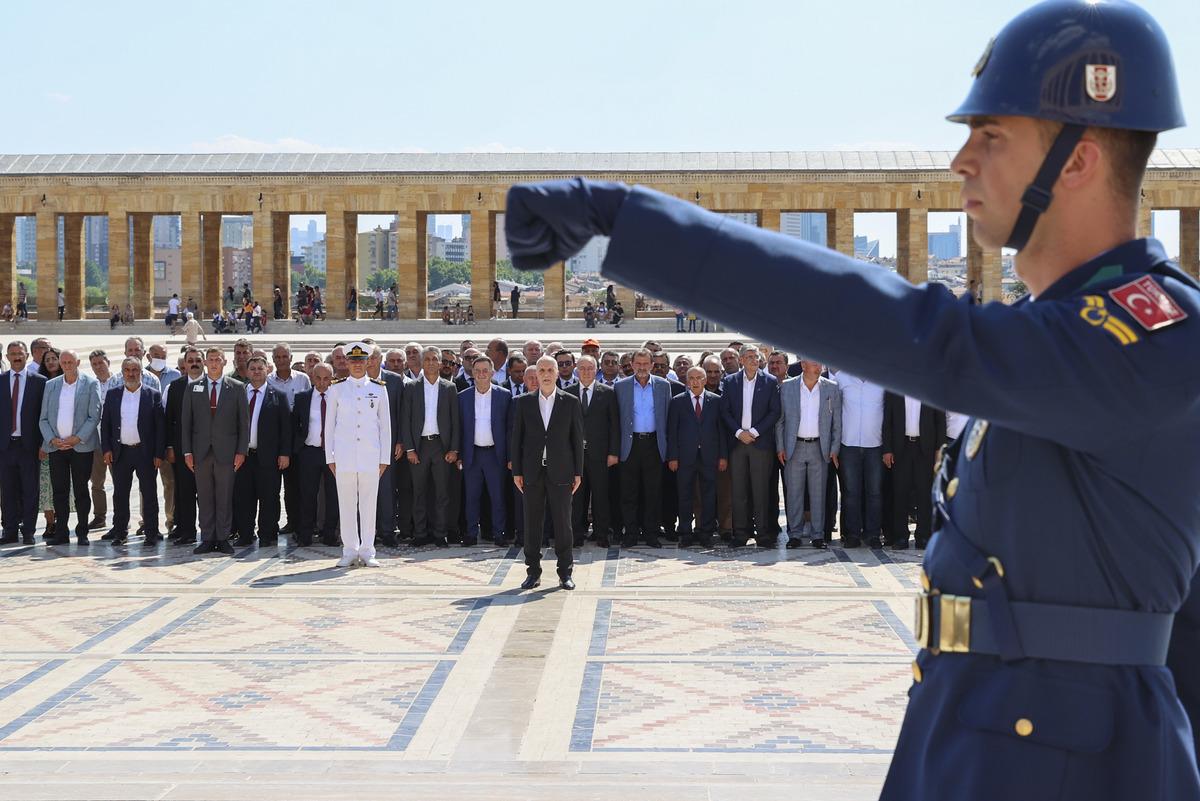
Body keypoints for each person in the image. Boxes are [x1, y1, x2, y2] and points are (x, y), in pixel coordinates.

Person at [504, 2, 1200, 795]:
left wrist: (621, 228)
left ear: (1077, 160)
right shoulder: (1063, 334)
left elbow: (920, 335)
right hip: (973, 736)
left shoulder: (1153, 334)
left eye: (992, 135)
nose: (960, 161)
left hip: (1069, 762)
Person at [510, 356, 584, 590]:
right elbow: (517, 439)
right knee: (532, 524)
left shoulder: (570, 402)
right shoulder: (523, 402)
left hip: (561, 471)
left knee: (563, 524)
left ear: (556, 372)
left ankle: (565, 572)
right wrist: (517, 471)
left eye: (550, 369)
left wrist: (578, 472)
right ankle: (533, 572)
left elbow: (576, 439)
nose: (546, 374)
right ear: (535, 375)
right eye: (541, 370)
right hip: (532, 471)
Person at [324, 342, 391, 567]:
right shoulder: (336, 388)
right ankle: (349, 550)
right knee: (347, 504)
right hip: (343, 456)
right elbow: (329, 426)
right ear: (347, 363)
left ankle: (368, 551)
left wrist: (384, 459)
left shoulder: (379, 388)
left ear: (368, 362)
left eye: (361, 361)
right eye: (353, 361)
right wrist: (330, 457)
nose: (357, 365)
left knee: (369, 505)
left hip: (370, 456)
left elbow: (385, 427)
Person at [181, 347, 248, 556]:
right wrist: (187, 452)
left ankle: (223, 537)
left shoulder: (236, 388)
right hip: (201, 452)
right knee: (205, 496)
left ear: (224, 362)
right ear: (205, 363)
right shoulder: (194, 388)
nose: (214, 363)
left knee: (225, 496)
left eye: (217, 359)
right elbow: (186, 423)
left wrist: (241, 451)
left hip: (227, 452)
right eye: (210, 360)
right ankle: (208, 537)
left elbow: (243, 423)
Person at [776, 358, 841, 549]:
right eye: (815, 364)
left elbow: (837, 422)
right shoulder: (788, 387)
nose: (819, 367)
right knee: (794, 493)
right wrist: (780, 447)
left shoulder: (831, 387)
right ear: (803, 366)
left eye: (821, 364)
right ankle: (794, 534)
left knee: (818, 493)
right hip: (793, 447)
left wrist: (834, 449)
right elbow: (780, 422)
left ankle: (818, 535)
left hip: (819, 448)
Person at [37, 350, 101, 546]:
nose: (66, 365)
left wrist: (77, 438)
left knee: (82, 490)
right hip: (57, 448)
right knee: (60, 491)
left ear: (78, 362)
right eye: (63, 362)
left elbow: (94, 415)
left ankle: (82, 532)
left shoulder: (91, 384)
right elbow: (44, 418)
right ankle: (61, 532)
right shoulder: (51, 385)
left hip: (80, 447)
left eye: (70, 362)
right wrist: (52, 440)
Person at [719, 346, 780, 548]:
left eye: (757, 357)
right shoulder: (730, 381)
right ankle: (741, 534)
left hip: (759, 443)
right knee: (739, 491)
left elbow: (774, 412)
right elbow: (725, 411)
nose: (755, 360)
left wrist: (753, 432)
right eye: (751, 357)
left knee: (761, 491)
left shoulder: (769, 381)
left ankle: (762, 534)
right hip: (737, 443)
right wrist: (739, 433)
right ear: (742, 360)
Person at [101, 357, 165, 546]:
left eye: (135, 370)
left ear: (140, 372)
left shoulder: (152, 395)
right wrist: (106, 449)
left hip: (145, 453)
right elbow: (106, 425)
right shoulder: (113, 394)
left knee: (149, 493)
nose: (131, 374)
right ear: (122, 373)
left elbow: (160, 428)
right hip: (121, 453)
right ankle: (120, 533)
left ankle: (151, 533)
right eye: (127, 370)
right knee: (120, 494)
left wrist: (159, 454)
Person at [402, 345, 460, 548]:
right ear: (421, 362)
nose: (431, 363)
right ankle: (420, 533)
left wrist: (454, 448)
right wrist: (409, 449)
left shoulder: (449, 387)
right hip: (419, 446)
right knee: (419, 492)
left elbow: (455, 421)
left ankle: (440, 534)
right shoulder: (411, 387)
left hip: (441, 446)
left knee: (442, 493)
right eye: (427, 359)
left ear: (440, 363)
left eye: (435, 359)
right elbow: (405, 419)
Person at [613, 348, 671, 548]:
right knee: (629, 492)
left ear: (652, 365)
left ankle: (651, 533)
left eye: (646, 364)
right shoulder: (621, 387)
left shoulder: (664, 386)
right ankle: (630, 533)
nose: (642, 368)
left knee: (652, 492)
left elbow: (667, 418)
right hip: (630, 445)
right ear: (632, 365)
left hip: (654, 444)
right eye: (638, 364)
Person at [232, 355, 292, 548]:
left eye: (260, 368)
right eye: (253, 369)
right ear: (247, 372)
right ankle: (245, 534)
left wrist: (284, 453)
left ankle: (267, 533)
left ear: (267, 370)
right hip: (243, 456)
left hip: (269, 457)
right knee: (243, 496)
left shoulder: (278, 395)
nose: (256, 372)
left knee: (269, 497)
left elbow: (286, 428)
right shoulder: (238, 393)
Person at [666, 366, 726, 547]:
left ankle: (705, 532)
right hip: (685, 457)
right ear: (686, 381)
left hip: (709, 456)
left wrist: (723, 456)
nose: (695, 381)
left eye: (699, 377)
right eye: (691, 378)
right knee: (685, 495)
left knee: (708, 495)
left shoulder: (716, 401)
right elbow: (672, 431)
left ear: (705, 380)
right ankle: (685, 531)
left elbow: (721, 430)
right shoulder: (677, 401)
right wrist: (673, 457)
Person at [565, 355, 619, 547]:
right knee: (577, 497)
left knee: (600, 496)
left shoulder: (608, 392)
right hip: (575, 455)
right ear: (577, 370)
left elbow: (614, 425)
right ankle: (577, 535)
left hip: (600, 454)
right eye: (582, 368)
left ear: (597, 370)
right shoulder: (568, 392)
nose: (586, 371)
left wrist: (613, 452)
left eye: (590, 368)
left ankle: (601, 534)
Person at [881, 391, 945, 549]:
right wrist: (887, 449)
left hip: (925, 449)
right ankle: (901, 537)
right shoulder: (894, 388)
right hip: (901, 448)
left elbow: (940, 421)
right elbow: (887, 421)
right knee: (900, 493)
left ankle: (923, 536)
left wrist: (939, 449)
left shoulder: (931, 388)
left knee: (924, 493)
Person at [458, 355, 510, 546]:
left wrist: (509, 456)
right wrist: (459, 455)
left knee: (497, 497)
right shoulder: (462, 397)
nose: (481, 374)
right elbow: (460, 428)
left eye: (485, 370)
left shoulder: (504, 395)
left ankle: (499, 533)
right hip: (472, 454)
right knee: (472, 497)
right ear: (472, 373)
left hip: (495, 454)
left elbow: (509, 428)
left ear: (492, 372)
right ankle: (471, 534)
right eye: (477, 370)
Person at [0, 342, 46, 545]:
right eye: (13, 354)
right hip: (5, 446)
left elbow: (45, 416)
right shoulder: (0, 380)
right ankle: (9, 531)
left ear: (27, 355)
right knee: (8, 491)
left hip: (29, 445)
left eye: (20, 353)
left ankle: (28, 531)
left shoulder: (40, 382)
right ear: (7, 357)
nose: (17, 357)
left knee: (30, 490)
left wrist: (43, 444)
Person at [835, 370, 886, 548]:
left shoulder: (883, 379)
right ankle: (852, 534)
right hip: (848, 444)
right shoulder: (842, 378)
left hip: (876, 445)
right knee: (850, 493)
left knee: (875, 493)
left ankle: (873, 534)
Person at [293, 364, 339, 547]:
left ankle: (329, 535)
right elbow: (295, 424)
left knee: (332, 495)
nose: (322, 382)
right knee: (307, 495)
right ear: (311, 377)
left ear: (332, 378)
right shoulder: (302, 398)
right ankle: (305, 535)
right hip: (309, 452)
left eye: (326, 378)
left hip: (333, 453)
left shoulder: (338, 398)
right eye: (318, 378)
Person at [165, 347, 204, 546]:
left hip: (208, 451)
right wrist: (171, 446)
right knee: (184, 491)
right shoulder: (176, 386)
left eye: (198, 359)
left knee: (207, 493)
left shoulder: (211, 385)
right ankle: (186, 530)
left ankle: (209, 530)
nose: (194, 363)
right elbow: (170, 419)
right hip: (182, 450)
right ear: (185, 364)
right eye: (191, 360)